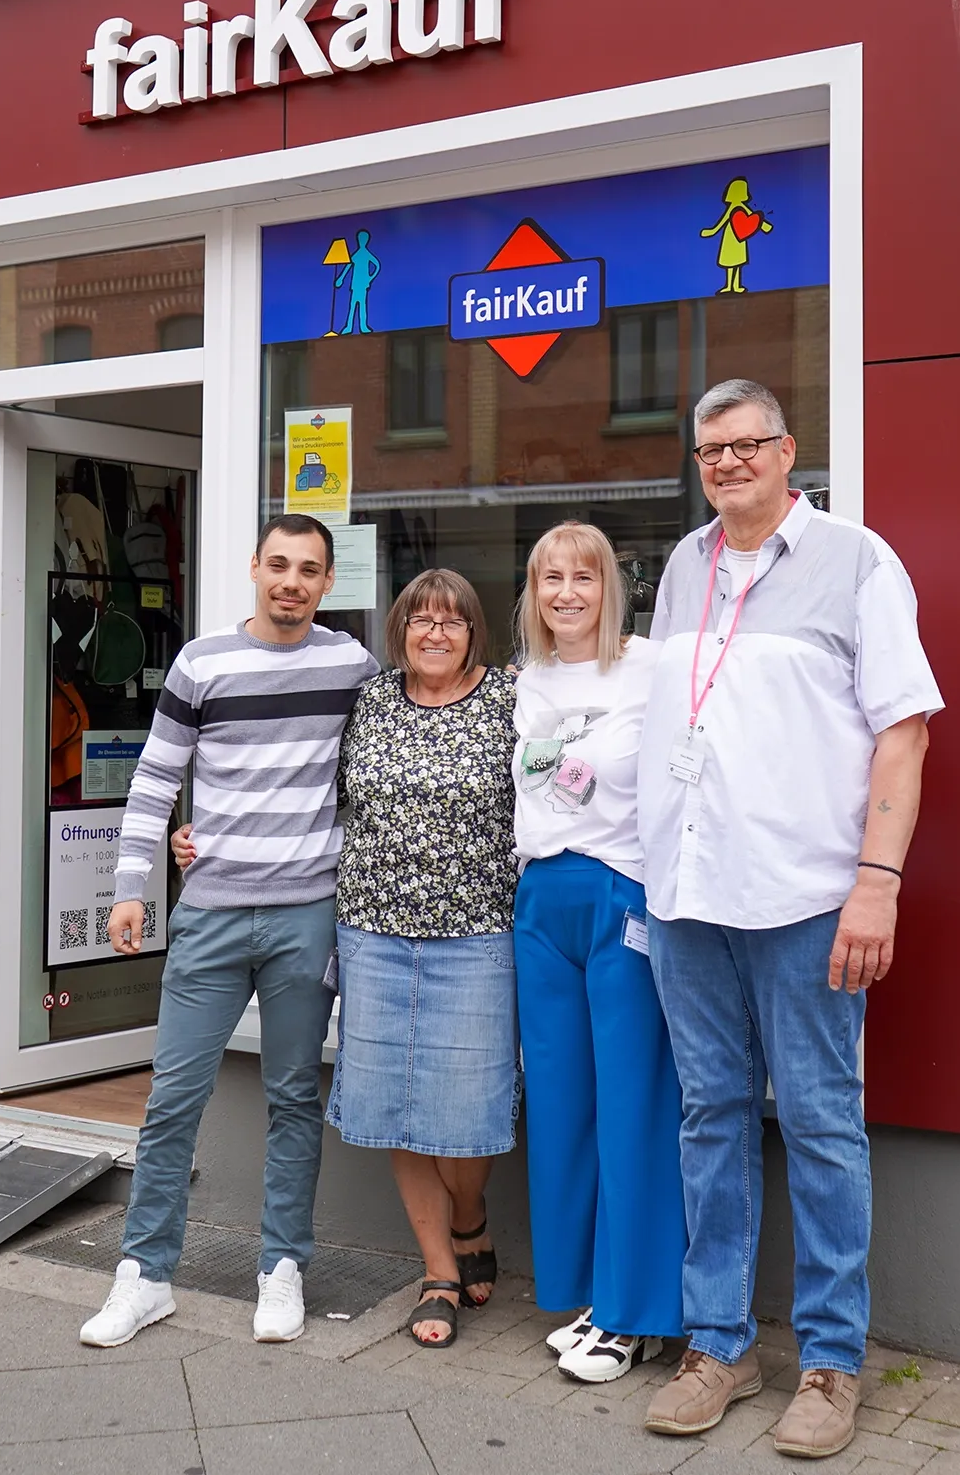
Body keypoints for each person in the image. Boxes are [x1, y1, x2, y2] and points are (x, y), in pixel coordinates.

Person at [636, 379, 941, 1459]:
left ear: (787, 451)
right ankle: (718, 1345)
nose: (725, 463)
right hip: (684, 896)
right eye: (709, 449)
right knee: (709, 1119)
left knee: (818, 1125)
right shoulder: (683, 565)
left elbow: (901, 733)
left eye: (745, 444)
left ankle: (829, 1361)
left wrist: (878, 879)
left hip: (808, 897)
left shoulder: (857, 559)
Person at [77, 514, 376, 1350]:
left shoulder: (351, 664)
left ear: (327, 582)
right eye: (278, 564)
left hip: (305, 916)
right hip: (208, 912)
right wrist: (133, 884)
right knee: (173, 1099)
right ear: (253, 567)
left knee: (292, 1098)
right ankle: (145, 1275)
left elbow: (383, 766)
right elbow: (155, 775)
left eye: (308, 569)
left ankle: (282, 1269)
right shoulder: (202, 662)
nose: (291, 580)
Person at [323, 568, 520, 1348]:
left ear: (475, 632)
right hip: (372, 933)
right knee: (395, 1105)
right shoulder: (370, 701)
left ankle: (470, 1214)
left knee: (468, 1112)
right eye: (420, 620)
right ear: (398, 628)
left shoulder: (507, 701)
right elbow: (316, 793)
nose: (435, 633)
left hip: (476, 935)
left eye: (452, 621)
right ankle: (438, 1268)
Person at [510, 521, 684, 1383]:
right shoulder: (529, 680)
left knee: (631, 1106)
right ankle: (588, 1294)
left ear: (608, 585)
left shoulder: (649, 666)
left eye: (583, 576)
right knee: (563, 1108)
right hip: (540, 900)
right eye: (550, 578)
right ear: (534, 592)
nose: (567, 591)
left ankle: (637, 1313)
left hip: (624, 896)